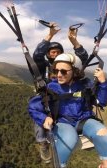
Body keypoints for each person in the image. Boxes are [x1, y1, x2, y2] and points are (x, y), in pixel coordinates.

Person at [28, 53, 107, 168]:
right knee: (69, 138)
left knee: (105, 134)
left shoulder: (85, 85)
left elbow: (101, 102)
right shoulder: (51, 87)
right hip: (63, 122)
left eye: (63, 71)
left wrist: (103, 82)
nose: (59, 74)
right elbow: (33, 106)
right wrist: (44, 118)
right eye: (56, 70)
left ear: (75, 71)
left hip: (84, 119)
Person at [32, 22, 89, 163]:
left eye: (58, 52)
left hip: (66, 99)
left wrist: (74, 41)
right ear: (48, 55)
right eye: (53, 52)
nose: (56, 54)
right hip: (49, 99)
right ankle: (43, 143)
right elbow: (37, 55)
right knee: (41, 116)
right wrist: (50, 35)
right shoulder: (43, 65)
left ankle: (83, 133)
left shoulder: (69, 67)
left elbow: (84, 59)